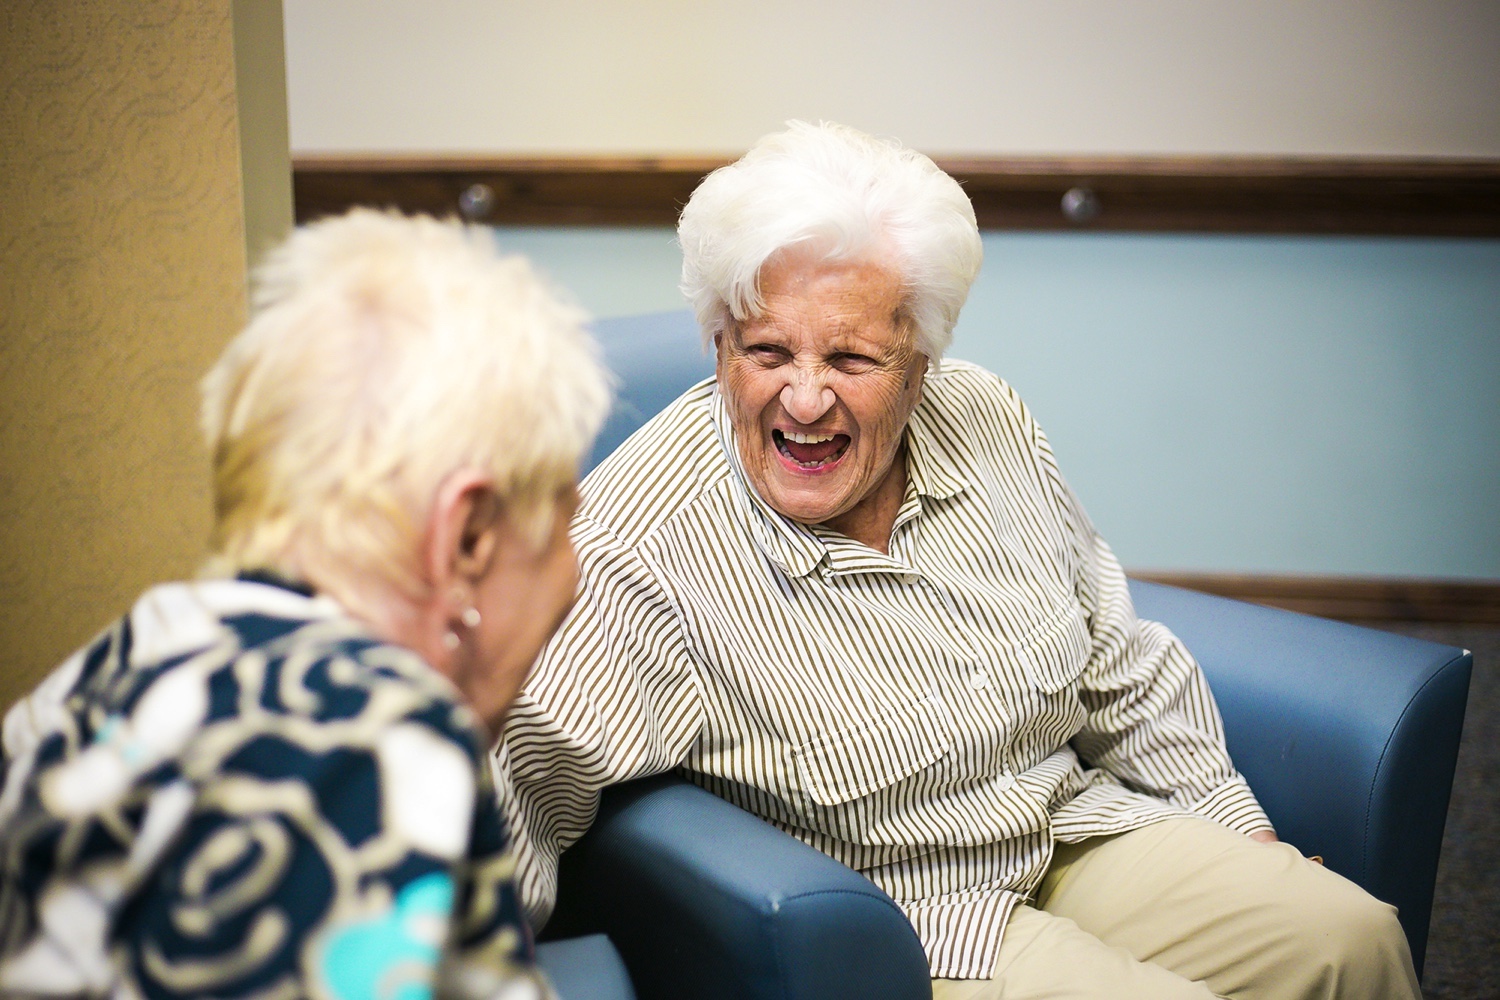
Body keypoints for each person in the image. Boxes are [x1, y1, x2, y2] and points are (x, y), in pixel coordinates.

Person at [493, 122, 1421, 999]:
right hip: (913, 912)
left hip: (1071, 824)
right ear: (720, 345)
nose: (804, 399)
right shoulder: (641, 544)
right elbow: (520, 770)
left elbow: (1114, 660)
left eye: (852, 358)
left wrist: (1240, 831)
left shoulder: (987, 418)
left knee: (1354, 942)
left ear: (920, 360)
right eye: (766, 350)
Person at [0, 210, 610, 1000]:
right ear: (466, 539)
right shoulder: (368, 742)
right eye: (567, 515)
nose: (572, 572)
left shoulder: (112, 667)